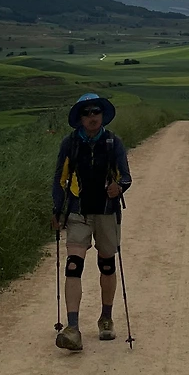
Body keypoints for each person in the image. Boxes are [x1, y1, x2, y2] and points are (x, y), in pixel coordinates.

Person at [52, 92, 132, 351]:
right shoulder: (70, 143)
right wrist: (57, 210)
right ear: (80, 118)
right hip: (78, 211)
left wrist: (119, 187)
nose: (92, 116)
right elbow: (60, 179)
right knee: (73, 265)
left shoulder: (113, 142)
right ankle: (73, 328)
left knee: (107, 266)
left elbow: (126, 177)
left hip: (107, 211)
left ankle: (106, 318)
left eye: (96, 111)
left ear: (102, 114)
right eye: (86, 113)